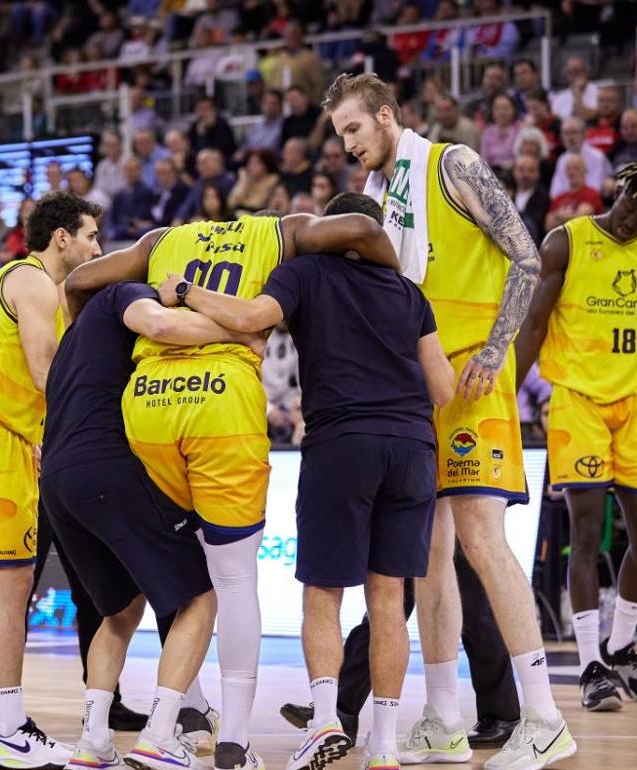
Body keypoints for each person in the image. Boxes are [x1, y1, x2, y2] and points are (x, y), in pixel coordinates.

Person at [65, 194, 397, 770]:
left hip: (146, 405)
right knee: (234, 579)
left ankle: (178, 715)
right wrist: (395, 273)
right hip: (222, 399)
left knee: (180, 572)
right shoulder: (282, 232)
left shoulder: (159, 243)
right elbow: (361, 227)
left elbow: (78, 280)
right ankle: (233, 742)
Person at [325, 72, 575, 769]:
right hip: (419, 384)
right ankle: (441, 714)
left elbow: (528, 257)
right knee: (425, 555)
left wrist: (499, 350)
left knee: (480, 540)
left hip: (471, 373)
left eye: (352, 129)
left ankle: (546, 715)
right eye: (339, 135)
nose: (347, 145)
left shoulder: (450, 163)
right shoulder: (377, 198)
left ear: (383, 115)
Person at [158, 192, 455, 770]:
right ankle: (385, 745)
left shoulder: (305, 271)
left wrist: (186, 291)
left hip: (343, 442)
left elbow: (247, 320)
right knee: (388, 600)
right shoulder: (411, 293)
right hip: (414, 446)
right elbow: (442, 388)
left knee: (324, 593)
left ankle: (323, 723)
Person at [42, 277, 263, 768]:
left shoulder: (76, 335)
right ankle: (163, 732)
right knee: (201, 594)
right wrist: (238, 330)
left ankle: (94, 741)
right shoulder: (124, 295)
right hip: (105, 465)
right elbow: (161, 323)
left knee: (119, 612)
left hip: (57, 480)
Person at [0, 191, 102, 769]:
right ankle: (3, 726)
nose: (96, 247)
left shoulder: (43, 287)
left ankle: (6, 719)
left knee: (11, 589)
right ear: (62, 237)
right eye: (90, 235)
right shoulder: (31, 280)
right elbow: (45, 371)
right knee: (9, 589)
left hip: (7, 439)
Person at [517, 163, 637, 711]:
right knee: (586, 531)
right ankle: (589, 662)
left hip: (636, 403)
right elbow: (535, 323)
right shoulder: (566, 241)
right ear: (621, 191)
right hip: (578, 400)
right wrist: (509, 392)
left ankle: (621, 644)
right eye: (634, 208)